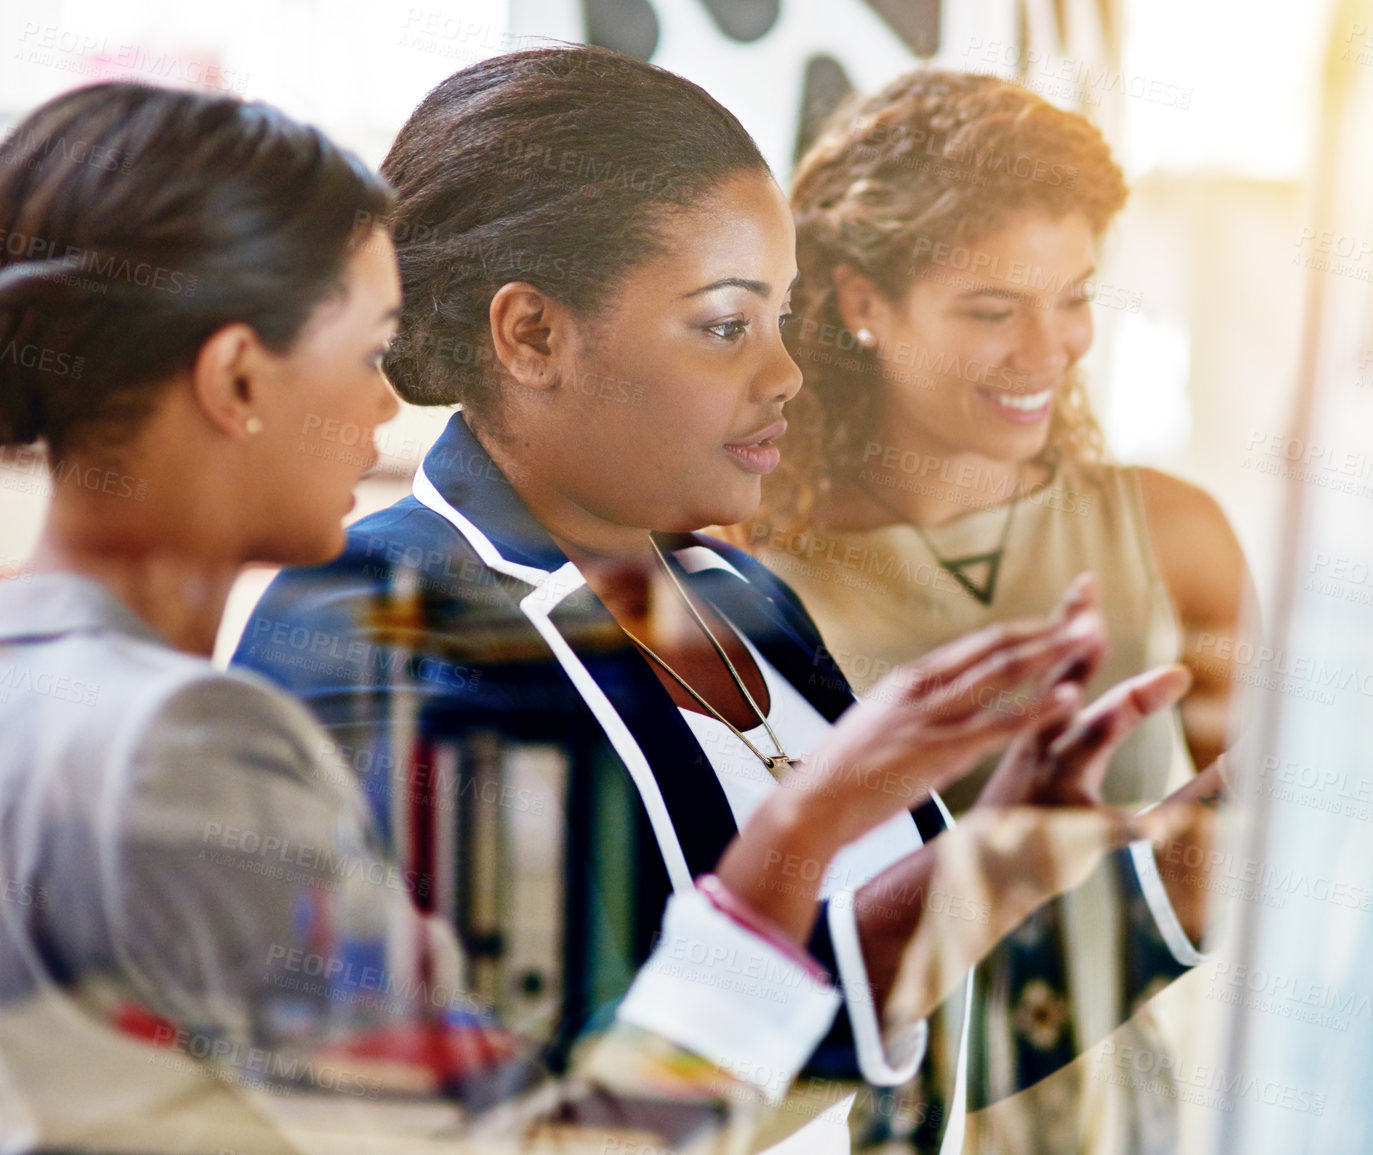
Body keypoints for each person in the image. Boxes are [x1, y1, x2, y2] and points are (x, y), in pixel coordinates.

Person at [0, 81, 1147, 1154]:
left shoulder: (46, 686)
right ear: (239, 381)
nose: (387, 396)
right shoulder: (194, 740)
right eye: (360, 352)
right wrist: (805, 829)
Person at [748, 69, 1261, 1151]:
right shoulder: (745, 572)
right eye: (992, 309)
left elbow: (1274, 860)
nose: (1049, 349)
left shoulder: (1176, 538)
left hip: (1118, 1122)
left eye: (1073, 296)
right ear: (860, 304)